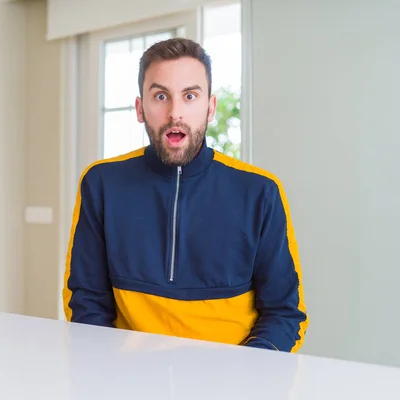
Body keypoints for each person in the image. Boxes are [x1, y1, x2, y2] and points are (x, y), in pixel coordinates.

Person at [62, 37, 308, 352]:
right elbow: (85, 300)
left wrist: (248, 378)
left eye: (189, 95)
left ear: (210, 107)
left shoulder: (260, 191)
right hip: (127, 381)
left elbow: (285, 313)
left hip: (233, 384)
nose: (175, 112)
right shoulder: (101, 183)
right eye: (160, 95)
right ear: (140, 108)